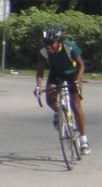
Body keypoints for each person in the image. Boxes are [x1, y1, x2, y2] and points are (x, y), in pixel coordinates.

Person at [34, 25, 91, 155]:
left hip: (72, 74)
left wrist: (78, 80)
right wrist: (38, 86)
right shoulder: (44, 52)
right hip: (57, 74)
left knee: (76, 105)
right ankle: (58, 112)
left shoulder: (69, 47)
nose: (48, 46)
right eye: (45, 43)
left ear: (58, 41)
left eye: (51, 43)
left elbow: (81, 65)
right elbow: (40, 70)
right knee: (49, 98)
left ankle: (84, 140)